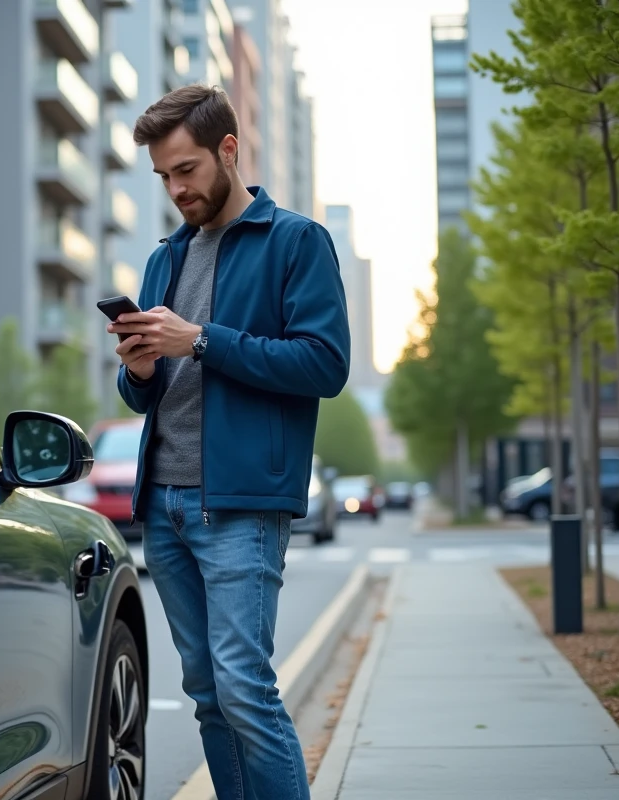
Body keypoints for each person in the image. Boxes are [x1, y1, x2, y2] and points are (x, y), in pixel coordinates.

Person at [108, 85, 351, 800]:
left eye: (185, 170)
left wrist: (202, 340)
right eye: (162, 177)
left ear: (228, 151)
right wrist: (140, 370)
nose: (175, 188)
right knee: (208, 696)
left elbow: (323, 364)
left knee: (245, 691)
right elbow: (146, 396)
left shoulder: (295, 241)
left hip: (241, 503)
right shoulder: (165, 259)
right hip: (166, 506)